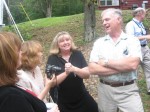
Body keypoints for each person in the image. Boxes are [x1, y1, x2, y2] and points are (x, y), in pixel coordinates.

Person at [88, 8, 144, 112]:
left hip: (128, 90)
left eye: (107, 19)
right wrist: (122, 67)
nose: (104, 23)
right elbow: (92, 69)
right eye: (103, 21)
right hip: (105, 91)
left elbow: (132, 65)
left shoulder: (132, 40)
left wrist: (106, 62)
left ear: (118, 19)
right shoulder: (99, 43)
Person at [46, 31, 98, 112]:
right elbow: (51, 83)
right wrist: (66, 73)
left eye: (67, 40)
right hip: (62, 100)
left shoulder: (77, 54)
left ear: (71, 41)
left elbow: (87, 75)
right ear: (57, 44)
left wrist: (74, 69)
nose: (65, 42)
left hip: (80, 95)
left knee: (94, 108)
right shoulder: (52, 58)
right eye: (62, 41)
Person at [0, 32, 47, 112]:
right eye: (18, 50)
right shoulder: (11, 97)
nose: (22, 53)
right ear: (9, 57)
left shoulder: (9, 88)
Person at [17, 40, 59, 112]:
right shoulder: (21, 77)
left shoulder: (36, 69)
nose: (42, 54)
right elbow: (33, 103)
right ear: (31, 56)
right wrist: (47, 86)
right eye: (39, 52)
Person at [125, 7, 150, 94]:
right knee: (133, 71)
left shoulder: (141, 24)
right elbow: (130, 38)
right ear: (139, 14)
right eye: (144, 13)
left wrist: (146, 39)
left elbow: (141, 35)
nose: (145, 15)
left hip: (145, 48)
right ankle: (132, 91)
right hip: (135, 50)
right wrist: (145, 37)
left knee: (149, 68)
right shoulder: (130, 25)